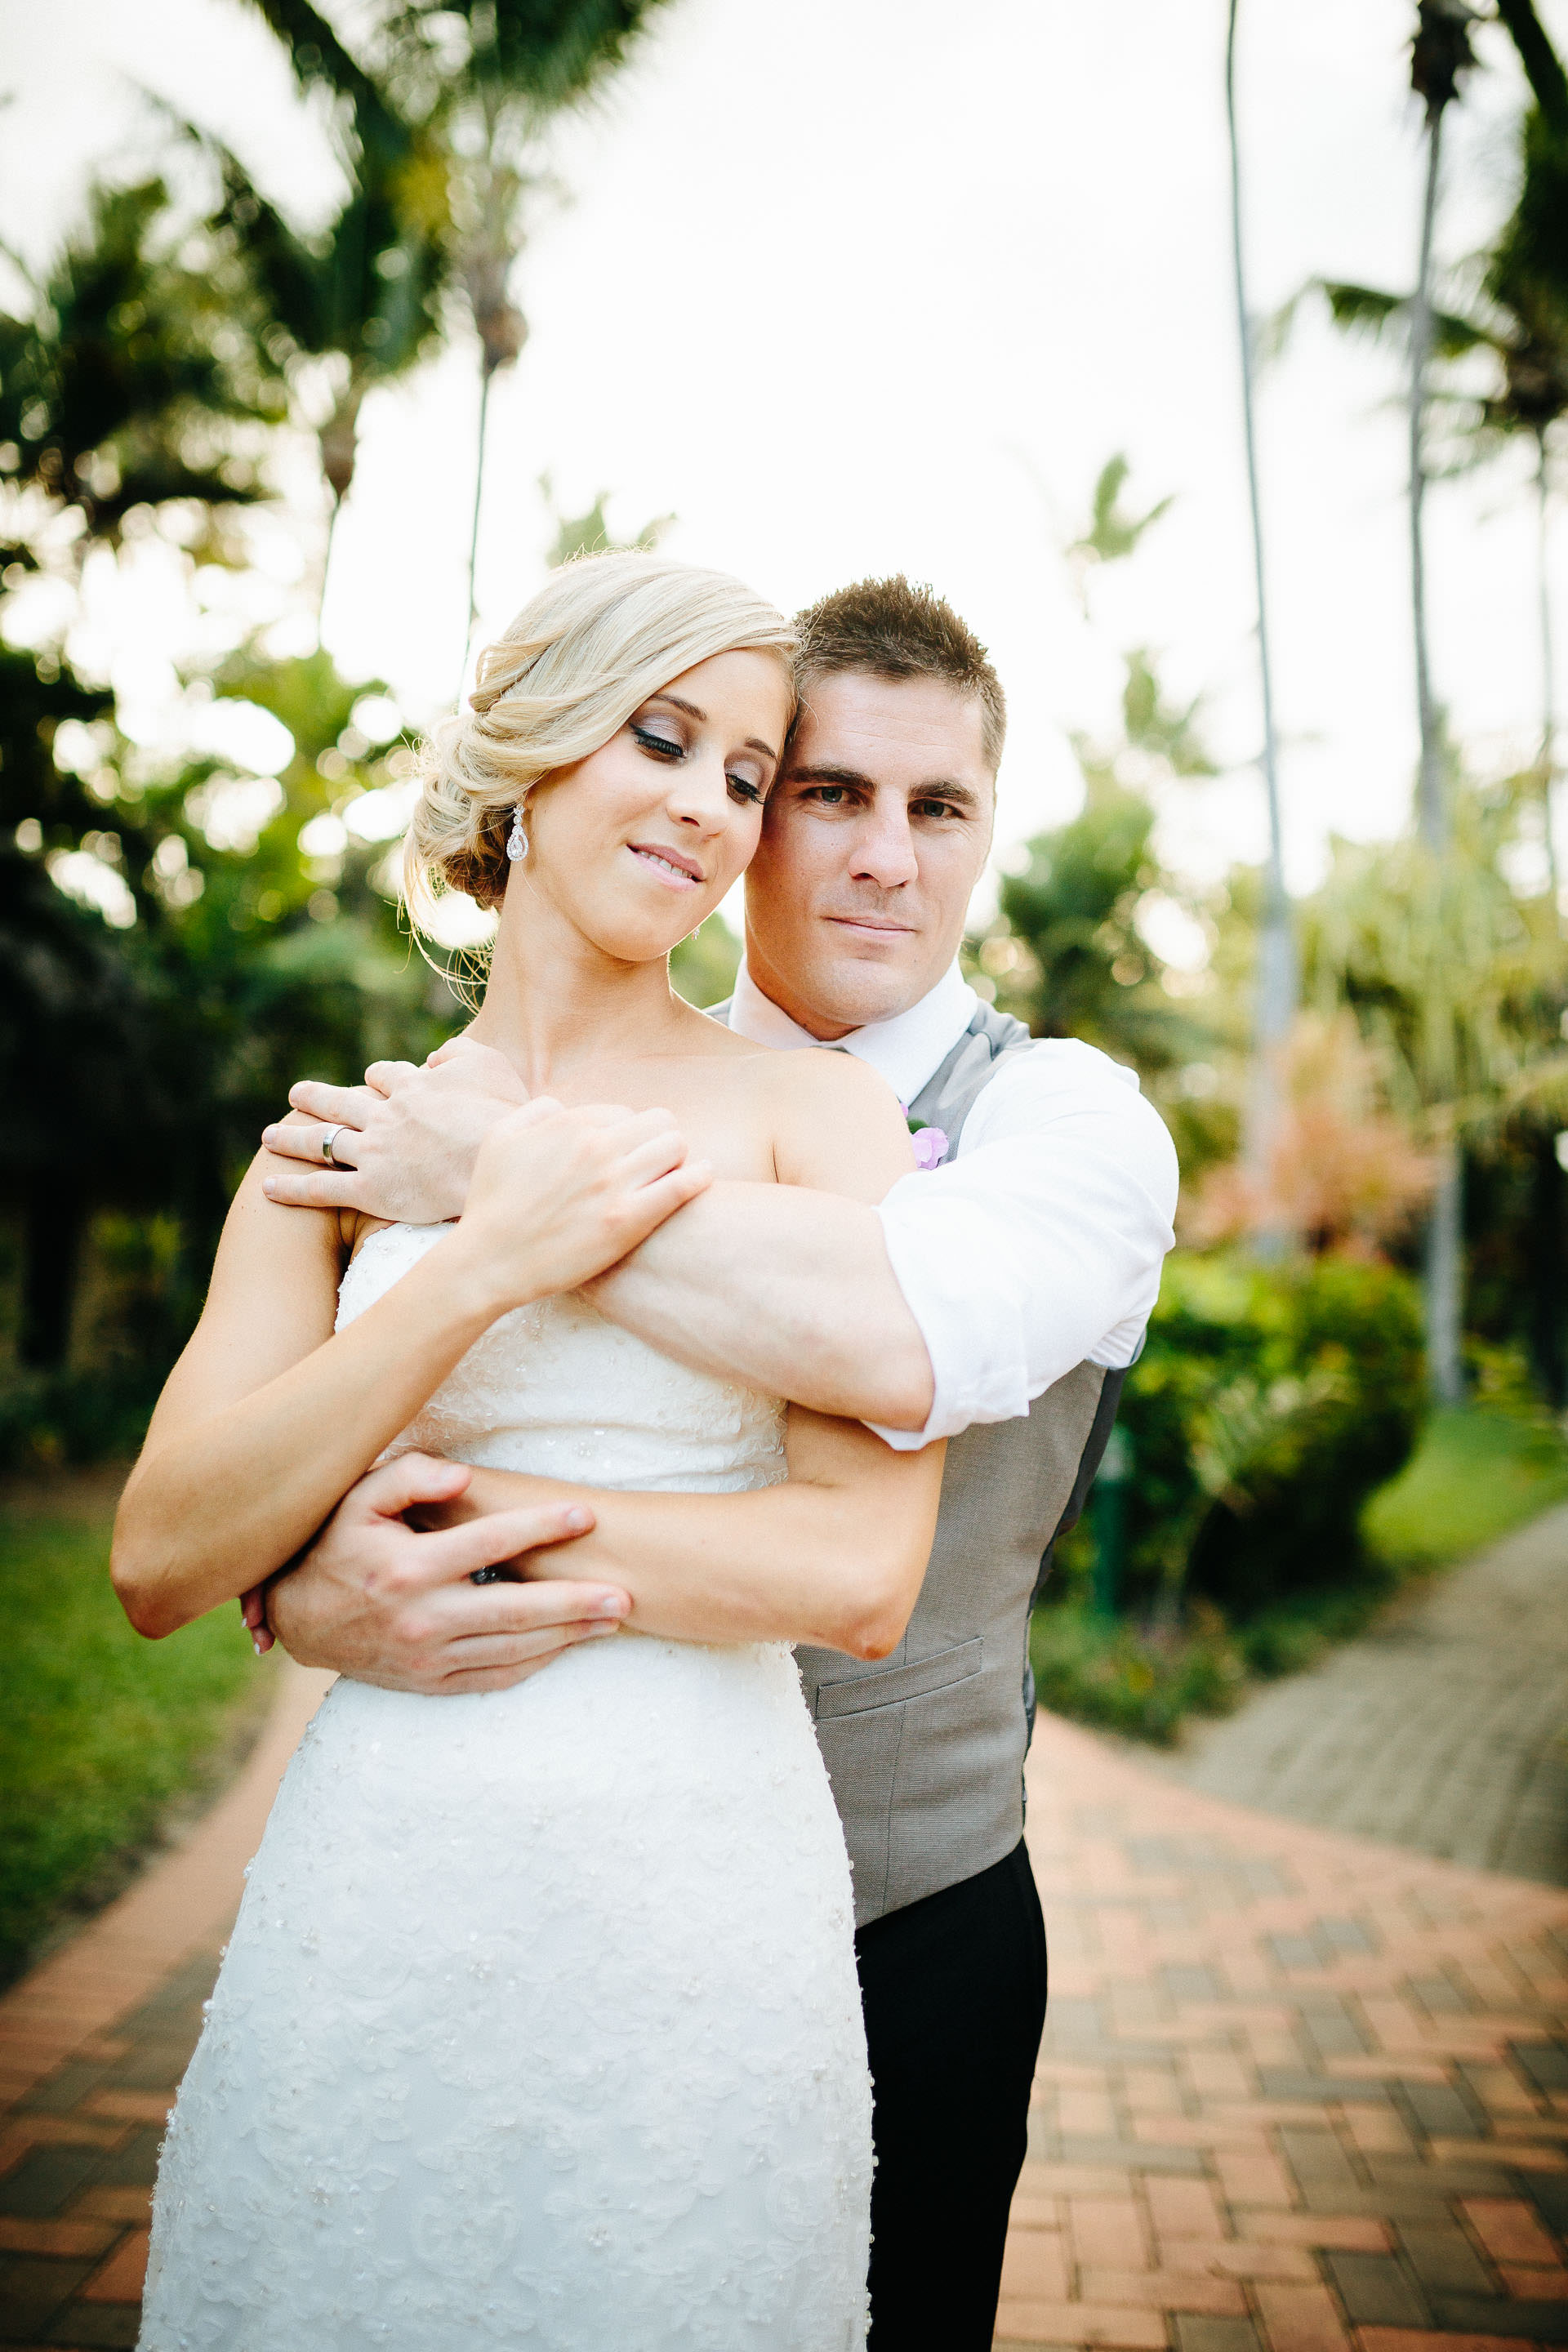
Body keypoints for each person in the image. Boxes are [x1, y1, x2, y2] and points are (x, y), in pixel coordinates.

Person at [257, 575, 1180, 2350]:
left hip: (912, 1927)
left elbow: (902, 1336)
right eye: (826, 792)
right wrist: (294, 1578)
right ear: (751, 821)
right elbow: (258, 1461)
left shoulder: (1067, 1119)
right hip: (527, 1888)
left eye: (940, 808)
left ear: (987, 836)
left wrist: (515, 1184)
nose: (882, 859)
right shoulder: (544, 1079)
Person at [114, 553, 954, 2352]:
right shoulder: (353, 1141)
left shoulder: (819, 1115)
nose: (711, 811)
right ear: (533, 747)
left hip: (698, 1889)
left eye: (746, 775)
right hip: (390, 1877)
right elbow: (163, 1552)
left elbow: (854, 1573)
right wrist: (481, 1260)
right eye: (665, 740)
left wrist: (448, 1528)